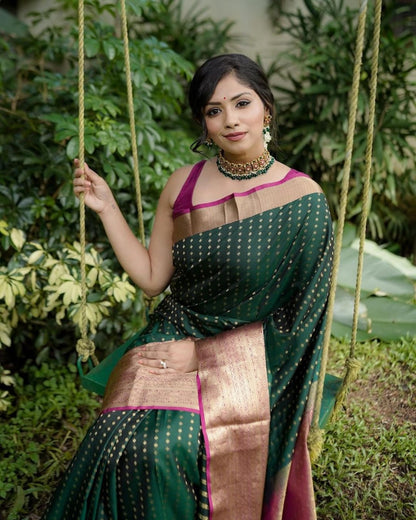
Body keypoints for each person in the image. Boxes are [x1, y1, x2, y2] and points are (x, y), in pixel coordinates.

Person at [43, 53, 333, 519]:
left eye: (242, 103)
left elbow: (300, 319)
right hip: (167, 337)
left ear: (267, 109)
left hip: (246, 362)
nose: (230, 120)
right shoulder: (183, 184)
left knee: (159, 450)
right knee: (113, 440)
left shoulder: (304, 200)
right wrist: (107, 209)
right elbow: (154, 279)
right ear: (203, 121)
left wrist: (205, 356)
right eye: (214, 110)